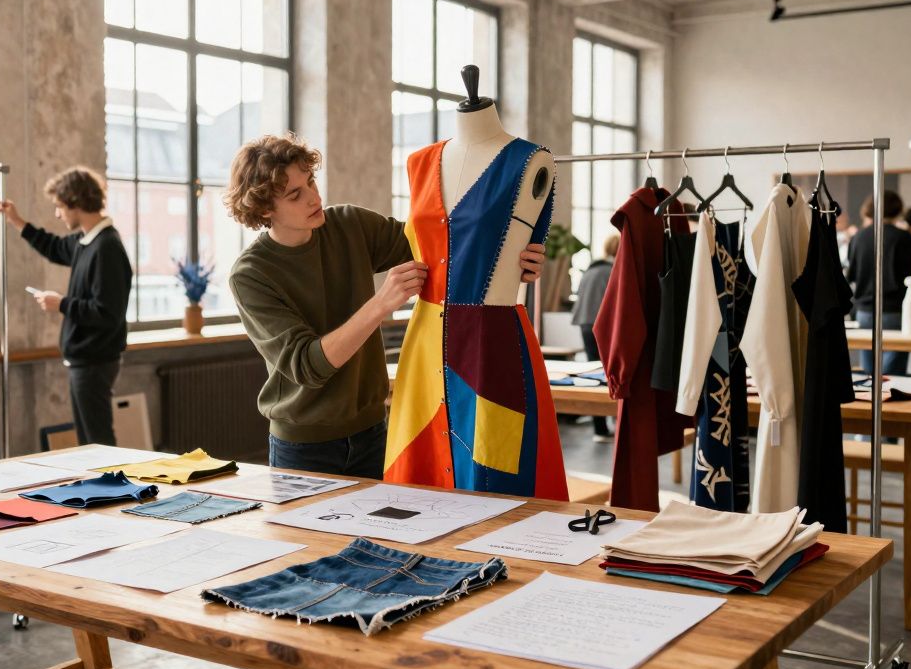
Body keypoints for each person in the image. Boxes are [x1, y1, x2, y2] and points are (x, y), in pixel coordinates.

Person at [224, 132, 547, 482]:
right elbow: (308, 366)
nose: (313, 197)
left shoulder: (349, 224)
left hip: (374, 432)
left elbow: (444, 249)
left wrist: (516, 258)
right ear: (265, 208)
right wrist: (380, 304)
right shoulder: (251, 274)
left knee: (385, 537)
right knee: (316, 540)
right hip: (303, 447)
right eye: (295, 194)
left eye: (311, 182)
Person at [0, 167, 133, 444]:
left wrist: (62, 304)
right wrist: (16, 220)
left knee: (98, 441)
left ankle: (110, 487)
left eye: (59, 207)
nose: (57, 214)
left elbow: (108, 313)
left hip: (95, 360)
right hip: (85, 359)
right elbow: (54, 247)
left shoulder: (106, 248)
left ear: (76, 203)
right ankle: (100, 487)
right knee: (90, 441)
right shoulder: (87, 241)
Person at [848, 190, 911, 375]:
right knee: (892, 375)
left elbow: (852, 275)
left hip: (864, 310)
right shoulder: (903, 237)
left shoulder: (858, 237)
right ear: (897, 210)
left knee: (869, 374)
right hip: (894, 310)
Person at [570, 232, 619, 441]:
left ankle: (599, 429)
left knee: (594, 372)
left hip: (585, 323)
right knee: (611, 372)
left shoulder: (591, 269)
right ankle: (613, 423)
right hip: (604, 325)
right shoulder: (613, 271)